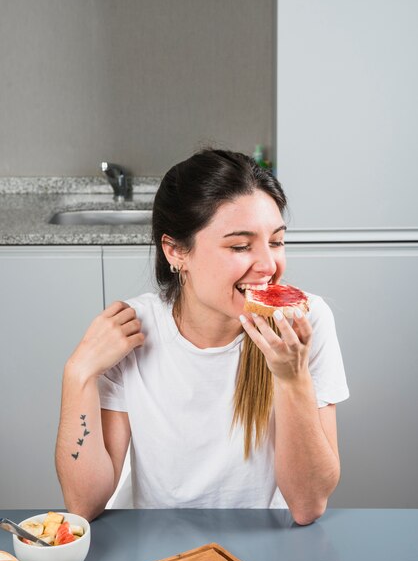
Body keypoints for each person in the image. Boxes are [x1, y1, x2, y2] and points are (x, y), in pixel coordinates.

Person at [56, 149, 349, 524]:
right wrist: (78, 373)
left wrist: (293, 380)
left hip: (265, 548)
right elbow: (84, 503)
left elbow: (308, 506)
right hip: (160, 545)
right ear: (176, 252)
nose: (268, 266)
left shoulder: (305, 323)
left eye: (275, 241)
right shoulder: (131, 330)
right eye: (240, 246)